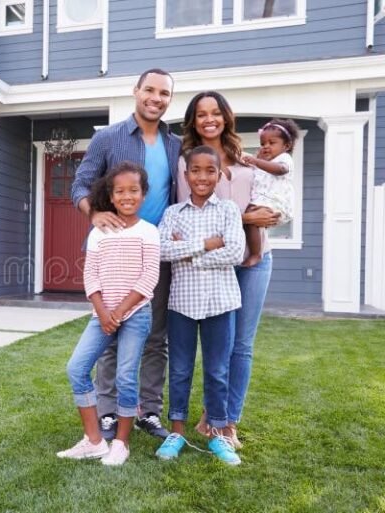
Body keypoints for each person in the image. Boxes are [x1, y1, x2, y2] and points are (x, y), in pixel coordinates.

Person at [70, 68, 181, 440]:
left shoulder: (174, 144)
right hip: (114, 251)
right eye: (149, 89)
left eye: (164, 93)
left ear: (169, 99)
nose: (156, 98)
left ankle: (148, 411)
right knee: (110, 332)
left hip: (155, 253)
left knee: (154, 336)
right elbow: (81, 184)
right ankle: (107, 411)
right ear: (135, 91)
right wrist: (94, 212)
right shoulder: (108, 138)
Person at [177, 91, 280, 448]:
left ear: (226, 116)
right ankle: (212, 412)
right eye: (201, 114)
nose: (209, 119)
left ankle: (227, 420)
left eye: (216, 112)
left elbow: (270, 202)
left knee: (242, 345)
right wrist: (246, 216)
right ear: (193, 120)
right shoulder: (186, 162)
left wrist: (267, 214)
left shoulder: (248, 158)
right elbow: (189, 218)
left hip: (255, 260)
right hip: (215, 265)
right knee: (217, 345)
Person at [58, 162, 160, 466]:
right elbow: (90, 276)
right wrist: (103, 313)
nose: (127, 196)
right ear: (111, 196)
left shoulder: (149, 232)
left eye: (134, 190)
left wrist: (118, 311)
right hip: (101, 314)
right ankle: (94, 441)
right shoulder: (98, 233)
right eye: (120, 191)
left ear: (143, 195)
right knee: (77, 369)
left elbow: (148, 278)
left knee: (126, 377)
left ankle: (121, 442)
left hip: (136, 314)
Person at [154, 145, 245, 466]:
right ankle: (176, 431)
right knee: (179, 370)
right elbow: (163, 251)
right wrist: (207, 245)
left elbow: (235, 253)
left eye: (210, 171)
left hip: (221, 303)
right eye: (196, 170)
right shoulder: (172, 214)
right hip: (182, 303)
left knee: (218, 370)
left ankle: (218, 432)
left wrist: (188, 252)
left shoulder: (229, 210)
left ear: (219, 175)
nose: (203, 177)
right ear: (186, 174)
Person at [241, 119, 300, 267]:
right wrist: (258, 161)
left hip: (276, 203)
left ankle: (256, 254)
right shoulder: (265, 163)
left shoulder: (284, 159)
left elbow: (280, 170)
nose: (266, 147)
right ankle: (255, 251)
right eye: (263, 144)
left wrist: (256, 161)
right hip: (265, 201)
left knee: (251, 216)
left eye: (271, 143)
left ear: (286, 146)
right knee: (252, 218)